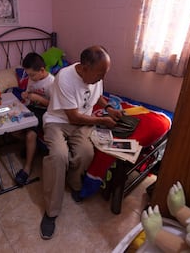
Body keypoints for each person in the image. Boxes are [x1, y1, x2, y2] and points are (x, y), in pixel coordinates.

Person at [40, 45, 123, 240]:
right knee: (58, 156)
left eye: (105, 73)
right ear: (84, 68)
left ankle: (74, 183)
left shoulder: (96, 76)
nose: (102, 78)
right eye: (100, 73)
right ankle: (51, 212)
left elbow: (98, 96)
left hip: (81, 122)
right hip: (58, 122)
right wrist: (102, 120)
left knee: (86, 153)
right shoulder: (64, 77)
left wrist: (109, 108)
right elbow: (72, 117)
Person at [14, 52, 55, 185]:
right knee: (13, 126)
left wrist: (40, 99)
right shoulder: (32, 79)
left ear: (42, 70)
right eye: (28, 75)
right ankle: (32, 146)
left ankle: (27, 168)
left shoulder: (52, 82)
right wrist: (26, 95)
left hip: (46, 111)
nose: (30, 78)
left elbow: (55, 107)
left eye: (32, 75)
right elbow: (30, 93)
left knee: (31, 135)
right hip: (32, 108)